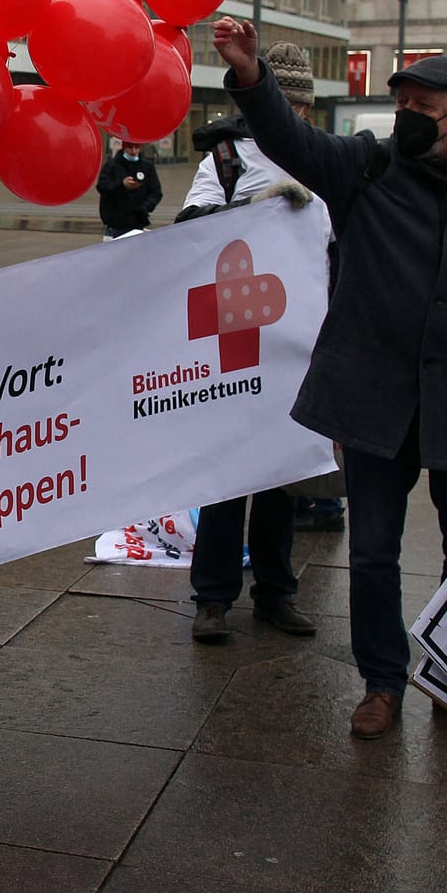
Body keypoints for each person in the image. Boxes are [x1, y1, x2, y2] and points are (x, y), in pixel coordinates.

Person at [212, 17, 447, 741]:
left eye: (423, 108)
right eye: (402, 105)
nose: (408, 118)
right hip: (374, 400)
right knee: (373, 552)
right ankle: (382, 683)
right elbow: (290, 140)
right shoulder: (366, 168)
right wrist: (250, 74)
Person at [181, 42, 322, 642]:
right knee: (226, 473)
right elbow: (187, 233)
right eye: (285, 104)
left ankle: (276, 592)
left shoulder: (322, 158)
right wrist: (253, 211)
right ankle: (212, 598)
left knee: (280, 478)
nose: (294, 117)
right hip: (234, 337)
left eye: (300, 108)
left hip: (294, 342)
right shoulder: (225, 158)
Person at [95, 139, 163, 237]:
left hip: (138, 221)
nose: (133, 151)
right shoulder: (112, 165)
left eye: (136, 148)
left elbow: (156, 192)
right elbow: (102, 186)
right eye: (130, 148)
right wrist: (122, 185)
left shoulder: (147, 167)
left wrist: (145, 207)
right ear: (124, 148)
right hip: (115, 223)